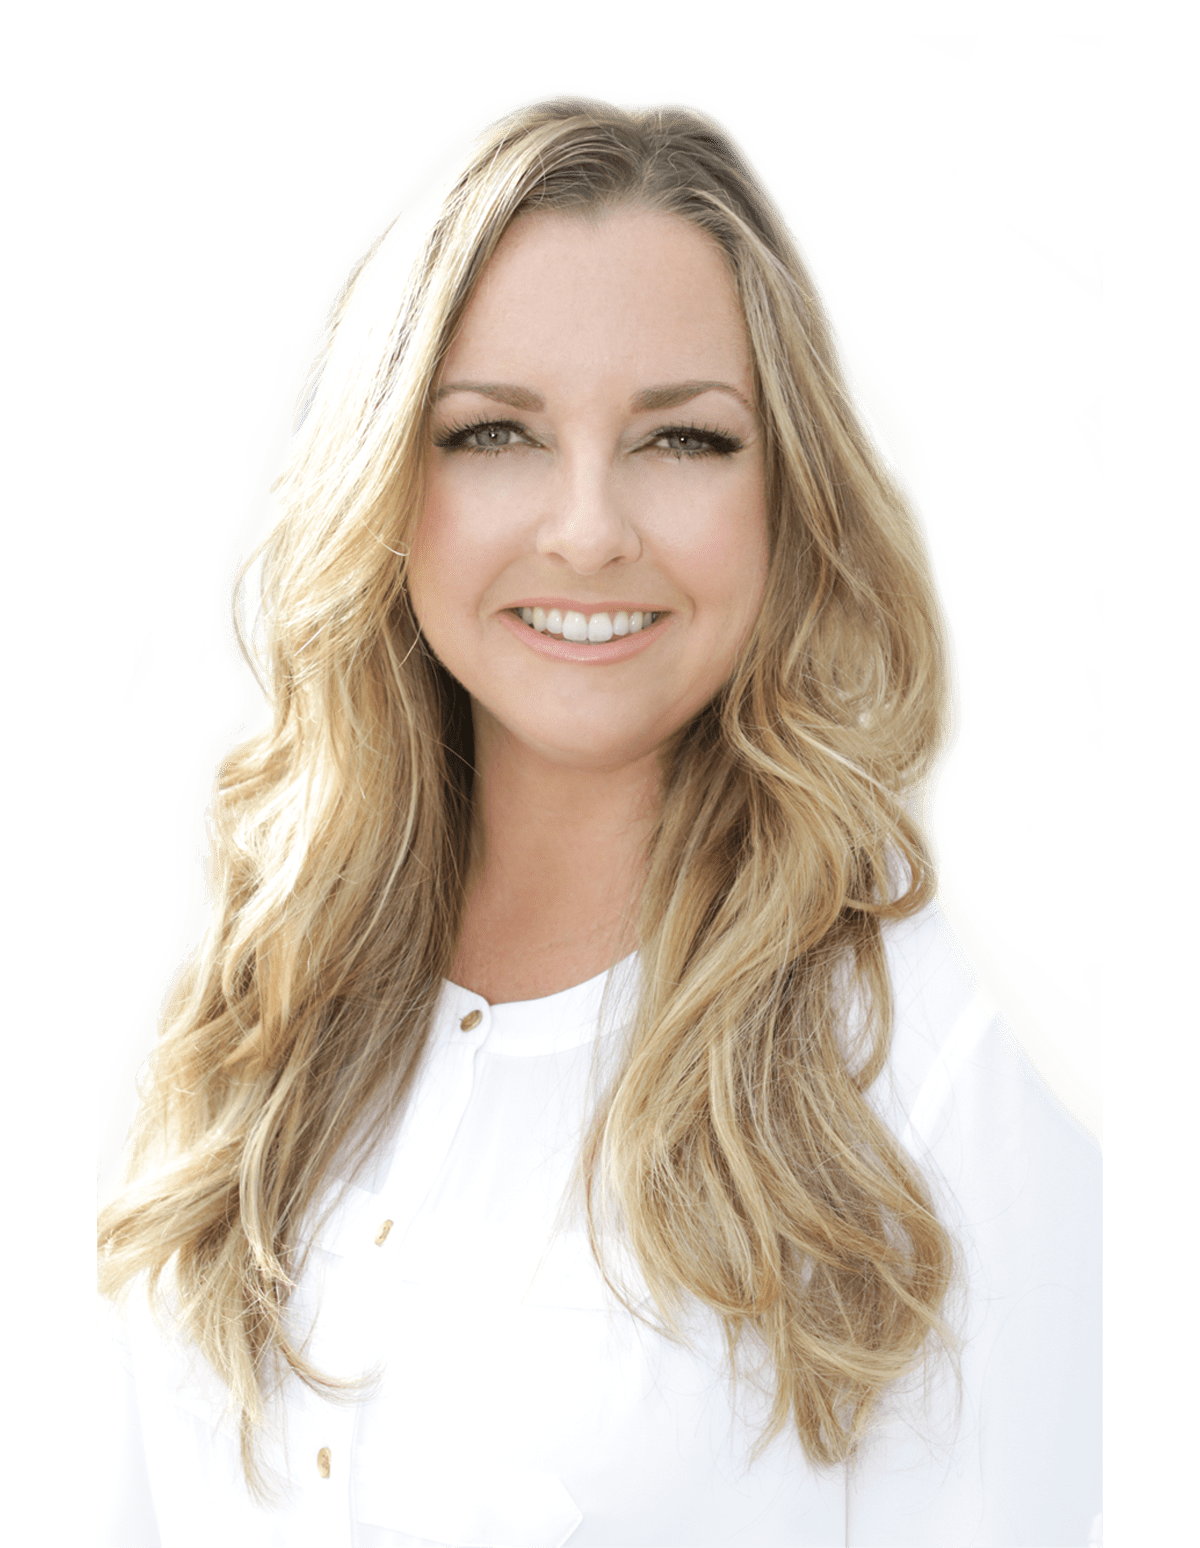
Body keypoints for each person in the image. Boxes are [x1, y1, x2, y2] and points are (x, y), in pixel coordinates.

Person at [97, 88, 1102, 1547]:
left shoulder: (937, 1077)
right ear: (390, 479)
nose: (586, 529)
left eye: (682, 441)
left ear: (791, 495)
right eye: (494, 433)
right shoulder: (245, 1010)